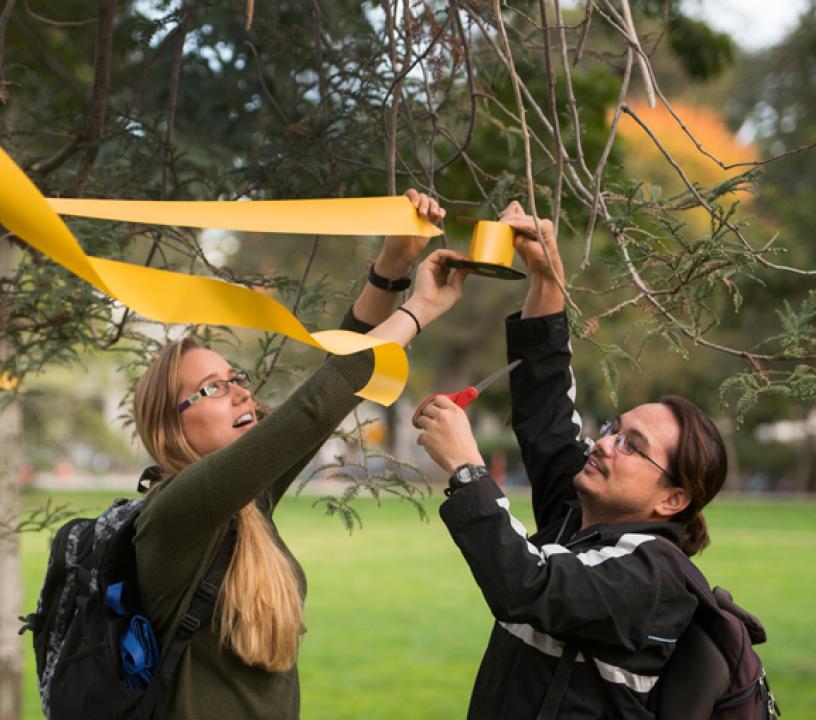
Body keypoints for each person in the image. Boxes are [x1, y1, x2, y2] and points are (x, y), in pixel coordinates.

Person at [131, 190, 470, 719]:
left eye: (235, 378)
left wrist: (391, 267)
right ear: (170, 425)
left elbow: (331, 386)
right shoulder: (179, 512)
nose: (242, 392)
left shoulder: (247, 503)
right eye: (213, 389)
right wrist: (421, 307)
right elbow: (316, 404)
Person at [414, 201, 729, 719]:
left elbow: (529, 586)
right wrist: (546, 276)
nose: (604, 444)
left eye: (633, 445)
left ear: (673, 498)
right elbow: (545, 414)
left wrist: (467, 472)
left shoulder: (653, 577)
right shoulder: (580, 516)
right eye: (613, 430)